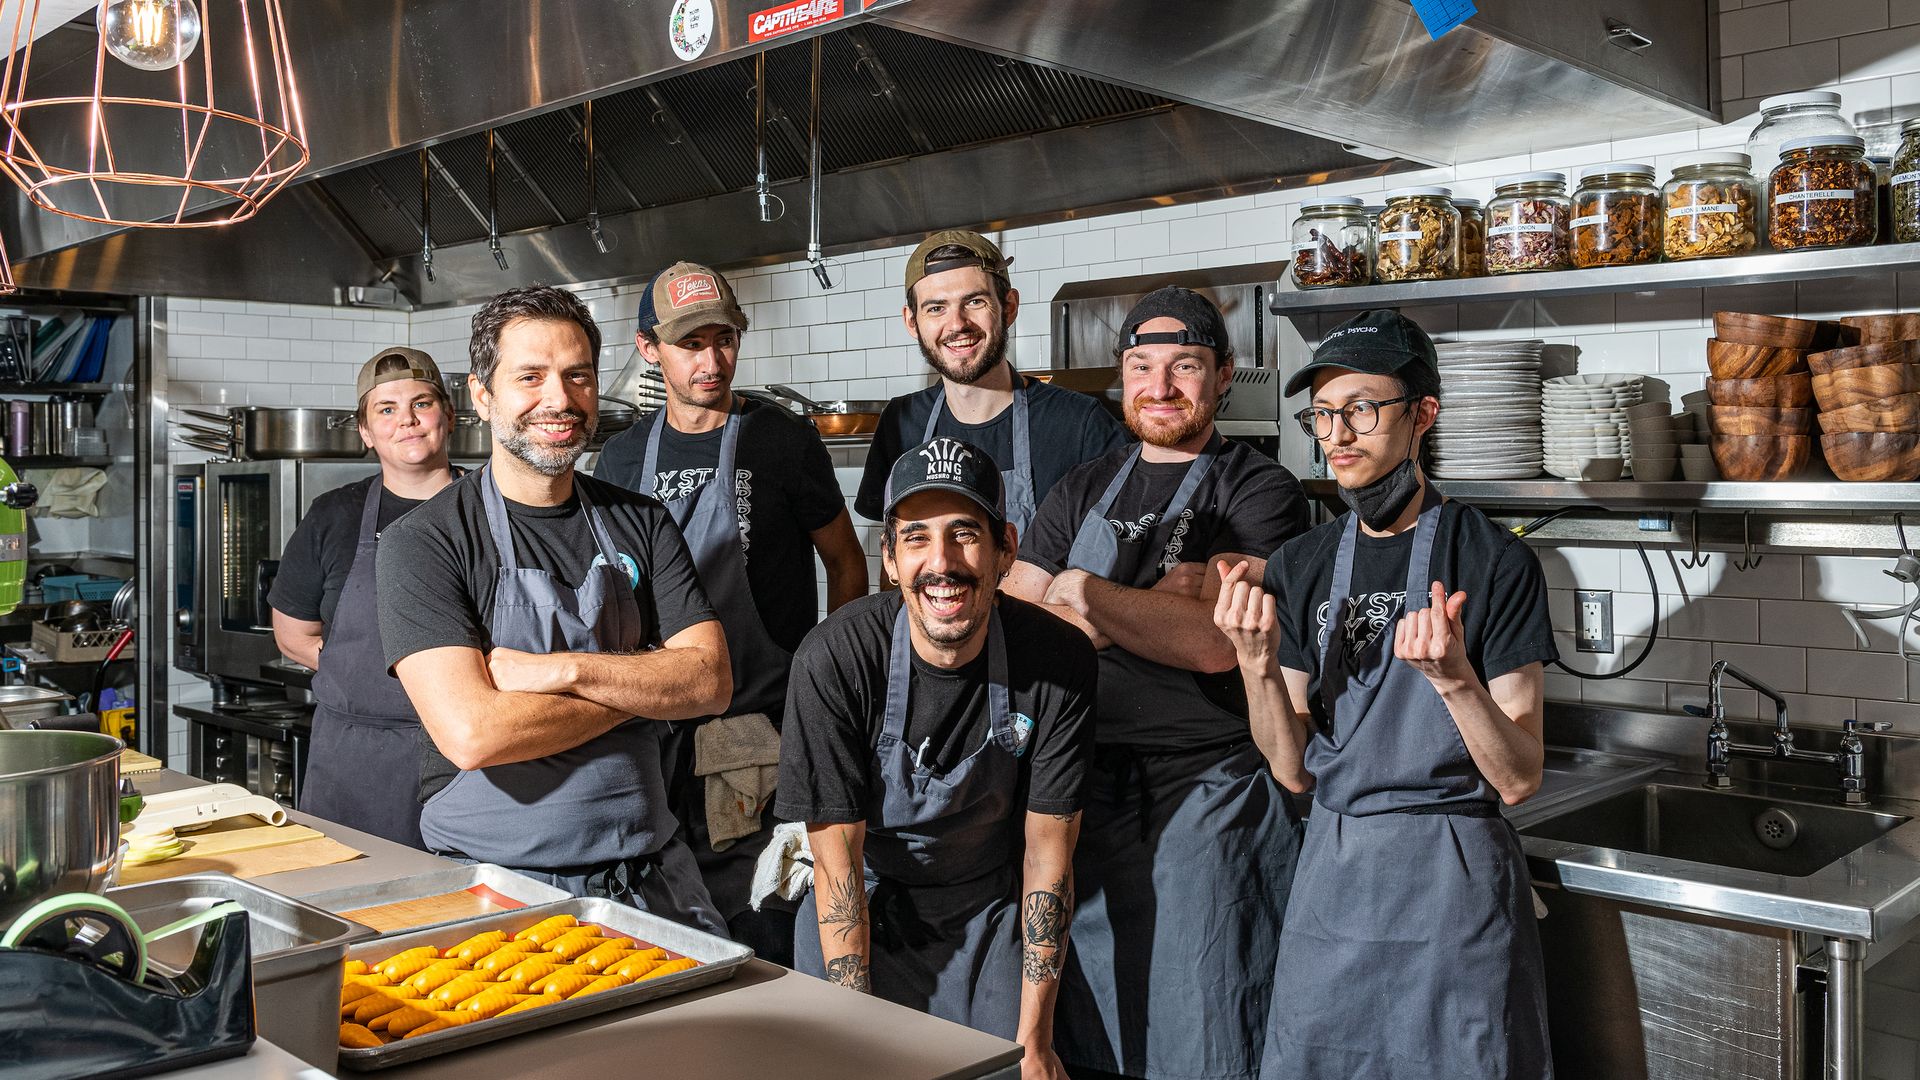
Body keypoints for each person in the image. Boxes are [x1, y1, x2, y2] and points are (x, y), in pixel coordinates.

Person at [1217, 309, 1555, 1080]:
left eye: (1362, 410)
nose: (1338, 434)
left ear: (1422, 416)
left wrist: (1455, 681)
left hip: (1454, 885)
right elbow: (1294, 770)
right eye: (1324, 415)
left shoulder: (1495, 562)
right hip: (1334, 879)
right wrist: (1256, 664)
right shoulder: (1301, 563)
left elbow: (1518, 777)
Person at [1002, 286, 1310, 1080]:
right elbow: (1010, 630)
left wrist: (1086, 592)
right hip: (1079, 796)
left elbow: (1214, 644)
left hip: (1207, 800)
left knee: (1207, 1033)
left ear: (1223, 376)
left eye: (1185, 366)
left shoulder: (1258, 491)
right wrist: (1153, 603)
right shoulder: (1080, 487)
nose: (1161, 386)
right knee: (1093, 1033)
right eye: (1142, 366)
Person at [377, 284, 730, 934]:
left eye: (577, 377)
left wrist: (564, 671)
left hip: (654, 879)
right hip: (494, 891)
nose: (559, 400)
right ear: (482, 396)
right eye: (530, 377)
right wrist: (648, 685)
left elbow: (709, 682)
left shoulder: (641, 521)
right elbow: (475, 733)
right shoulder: (424, 542)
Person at [776, 436, 1094, 1079]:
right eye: (916, 537)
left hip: (984, 908)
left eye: (964, 534)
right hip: (863, 894)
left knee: (1010, 1069)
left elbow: (1047, 851)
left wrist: (1035, 1040)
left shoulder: (1057, 661)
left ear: (1005, 547)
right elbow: (837, 857)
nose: (941, 562)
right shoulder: (835, 658)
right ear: (889, 560)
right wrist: (852, 1034)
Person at [596, 261, 867, 965]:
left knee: (760, 923)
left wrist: (828, 683)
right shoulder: (622, 458)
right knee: (665, 932)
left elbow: (845, 560)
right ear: (649, 347)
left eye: (724, 339)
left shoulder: (781, 440)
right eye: (691, 344)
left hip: (758, 732)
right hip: (653, 733)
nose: (712, 360)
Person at [268, 347, 458, 848]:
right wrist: (360, 668)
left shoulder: (494, 509)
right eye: (387, 409)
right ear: (366, 432)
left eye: (422, 403)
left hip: (466, 755)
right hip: (354, 762)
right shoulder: (333, 514)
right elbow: (292, 634)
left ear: (449, 416)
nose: (408, 421)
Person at [853, 229, 1128, 535]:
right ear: (912, 322)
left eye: (974, 302)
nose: (956, 324)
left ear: (1008, 307)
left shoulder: (1079, 423)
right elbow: (897, 550)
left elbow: (1124, 545)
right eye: (936, 308)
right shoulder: (901, 422)